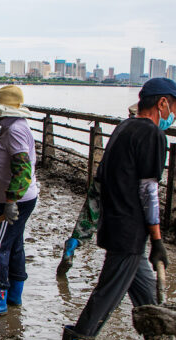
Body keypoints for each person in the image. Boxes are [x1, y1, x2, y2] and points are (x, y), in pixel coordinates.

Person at [56, 77, 176, 340]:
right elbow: (149, 191)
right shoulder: (152, 134)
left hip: (116, 225)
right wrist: (157, 240)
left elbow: (101, 183)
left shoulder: (123, 129)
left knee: (148, 295)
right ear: (163, 102)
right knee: (106, 298)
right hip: (130, 231)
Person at [0, 86, 38, 319]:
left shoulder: (15, 131)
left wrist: (11, 201)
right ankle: (14, 296)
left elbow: (23, 168)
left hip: (16, 201)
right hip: (19, 199)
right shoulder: (13, 128)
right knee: (14, 246)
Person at [58, 102, 140, 276]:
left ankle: (72, 244)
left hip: (102, 179)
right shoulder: (143, 132)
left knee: (88, 217)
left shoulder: (122, 127)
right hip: (121, 188)